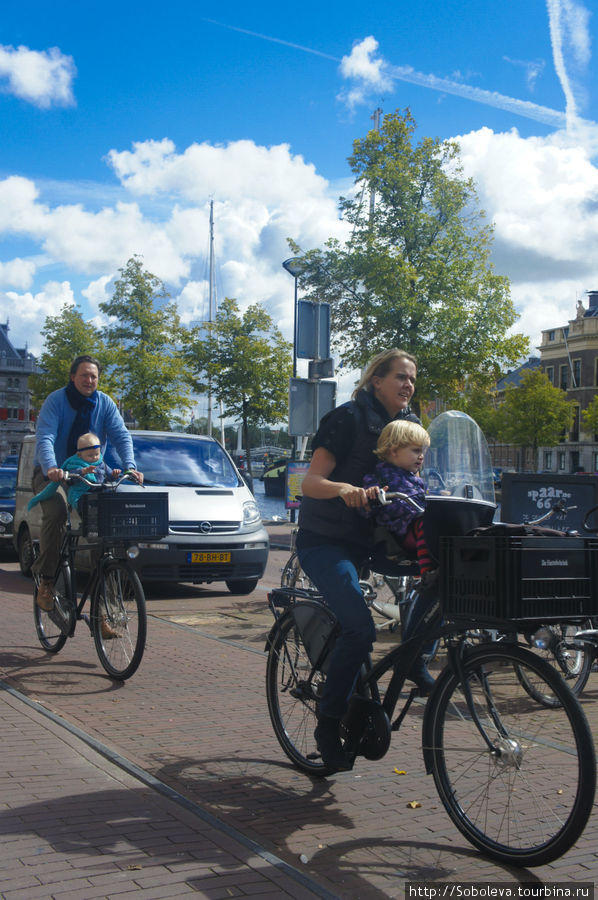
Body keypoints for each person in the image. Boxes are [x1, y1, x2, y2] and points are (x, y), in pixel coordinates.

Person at [296, 348, 434, 772]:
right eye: (400, 377)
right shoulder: (346, 419)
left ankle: (415, 659)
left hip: (376, 541)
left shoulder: (410, 428)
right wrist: (342, 489)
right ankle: (328, 722)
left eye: (412, 379)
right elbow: (309, 482)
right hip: (327, 540)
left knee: (443, 579)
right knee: (359, 629)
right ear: (376, 380)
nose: (409, 385)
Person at [32, 355, 143, 612]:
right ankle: (47, 581)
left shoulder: (104, 403)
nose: (89, 380)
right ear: (73, 377)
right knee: (57, 512)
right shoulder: (56, 401)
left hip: (89, 476)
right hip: (53, 475)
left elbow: (121, 436)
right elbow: (45, 436)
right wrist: (51, 467)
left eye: (93, 376)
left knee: (101, 526)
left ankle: (104, 605)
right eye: (84, 375)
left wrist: (130, 466)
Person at [362, 419, 433, 575]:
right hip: (397, 536)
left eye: (423, 451)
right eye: (416, 451)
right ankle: (427, 571)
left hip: (412, 529)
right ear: (394, 451)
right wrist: (372, 493)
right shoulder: (379, 477)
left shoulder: (415, 479)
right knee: (426, 523)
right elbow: (366, 507)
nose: (421, 456)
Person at [28, 431, 122, 513]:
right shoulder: (75, 463)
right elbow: (71, 477)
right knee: (84, 506)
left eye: (96, 454)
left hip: (99, 493)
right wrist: (83, 471)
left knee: (112, 503)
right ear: (80, 455)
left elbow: (109, 476)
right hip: (82, 494)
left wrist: (114, 474)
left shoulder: (101, 463)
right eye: (90, 455)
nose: (94, 457)